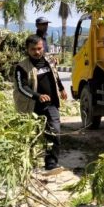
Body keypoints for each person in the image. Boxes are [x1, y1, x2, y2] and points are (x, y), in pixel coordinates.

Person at [13, 34, 68, 171]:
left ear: (43, 47)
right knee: (30, 136)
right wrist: (38, 96)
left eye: (39, 48)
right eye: (33, 49)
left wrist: (61, 89)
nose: (37, 52)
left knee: (54, 132)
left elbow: (55, 75)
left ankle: (51, 164)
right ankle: (27, 163)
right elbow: (21, 87)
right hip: (31, 107)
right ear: (27, 49)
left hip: (51, 105)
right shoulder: (22, 67)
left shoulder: (49, 61)